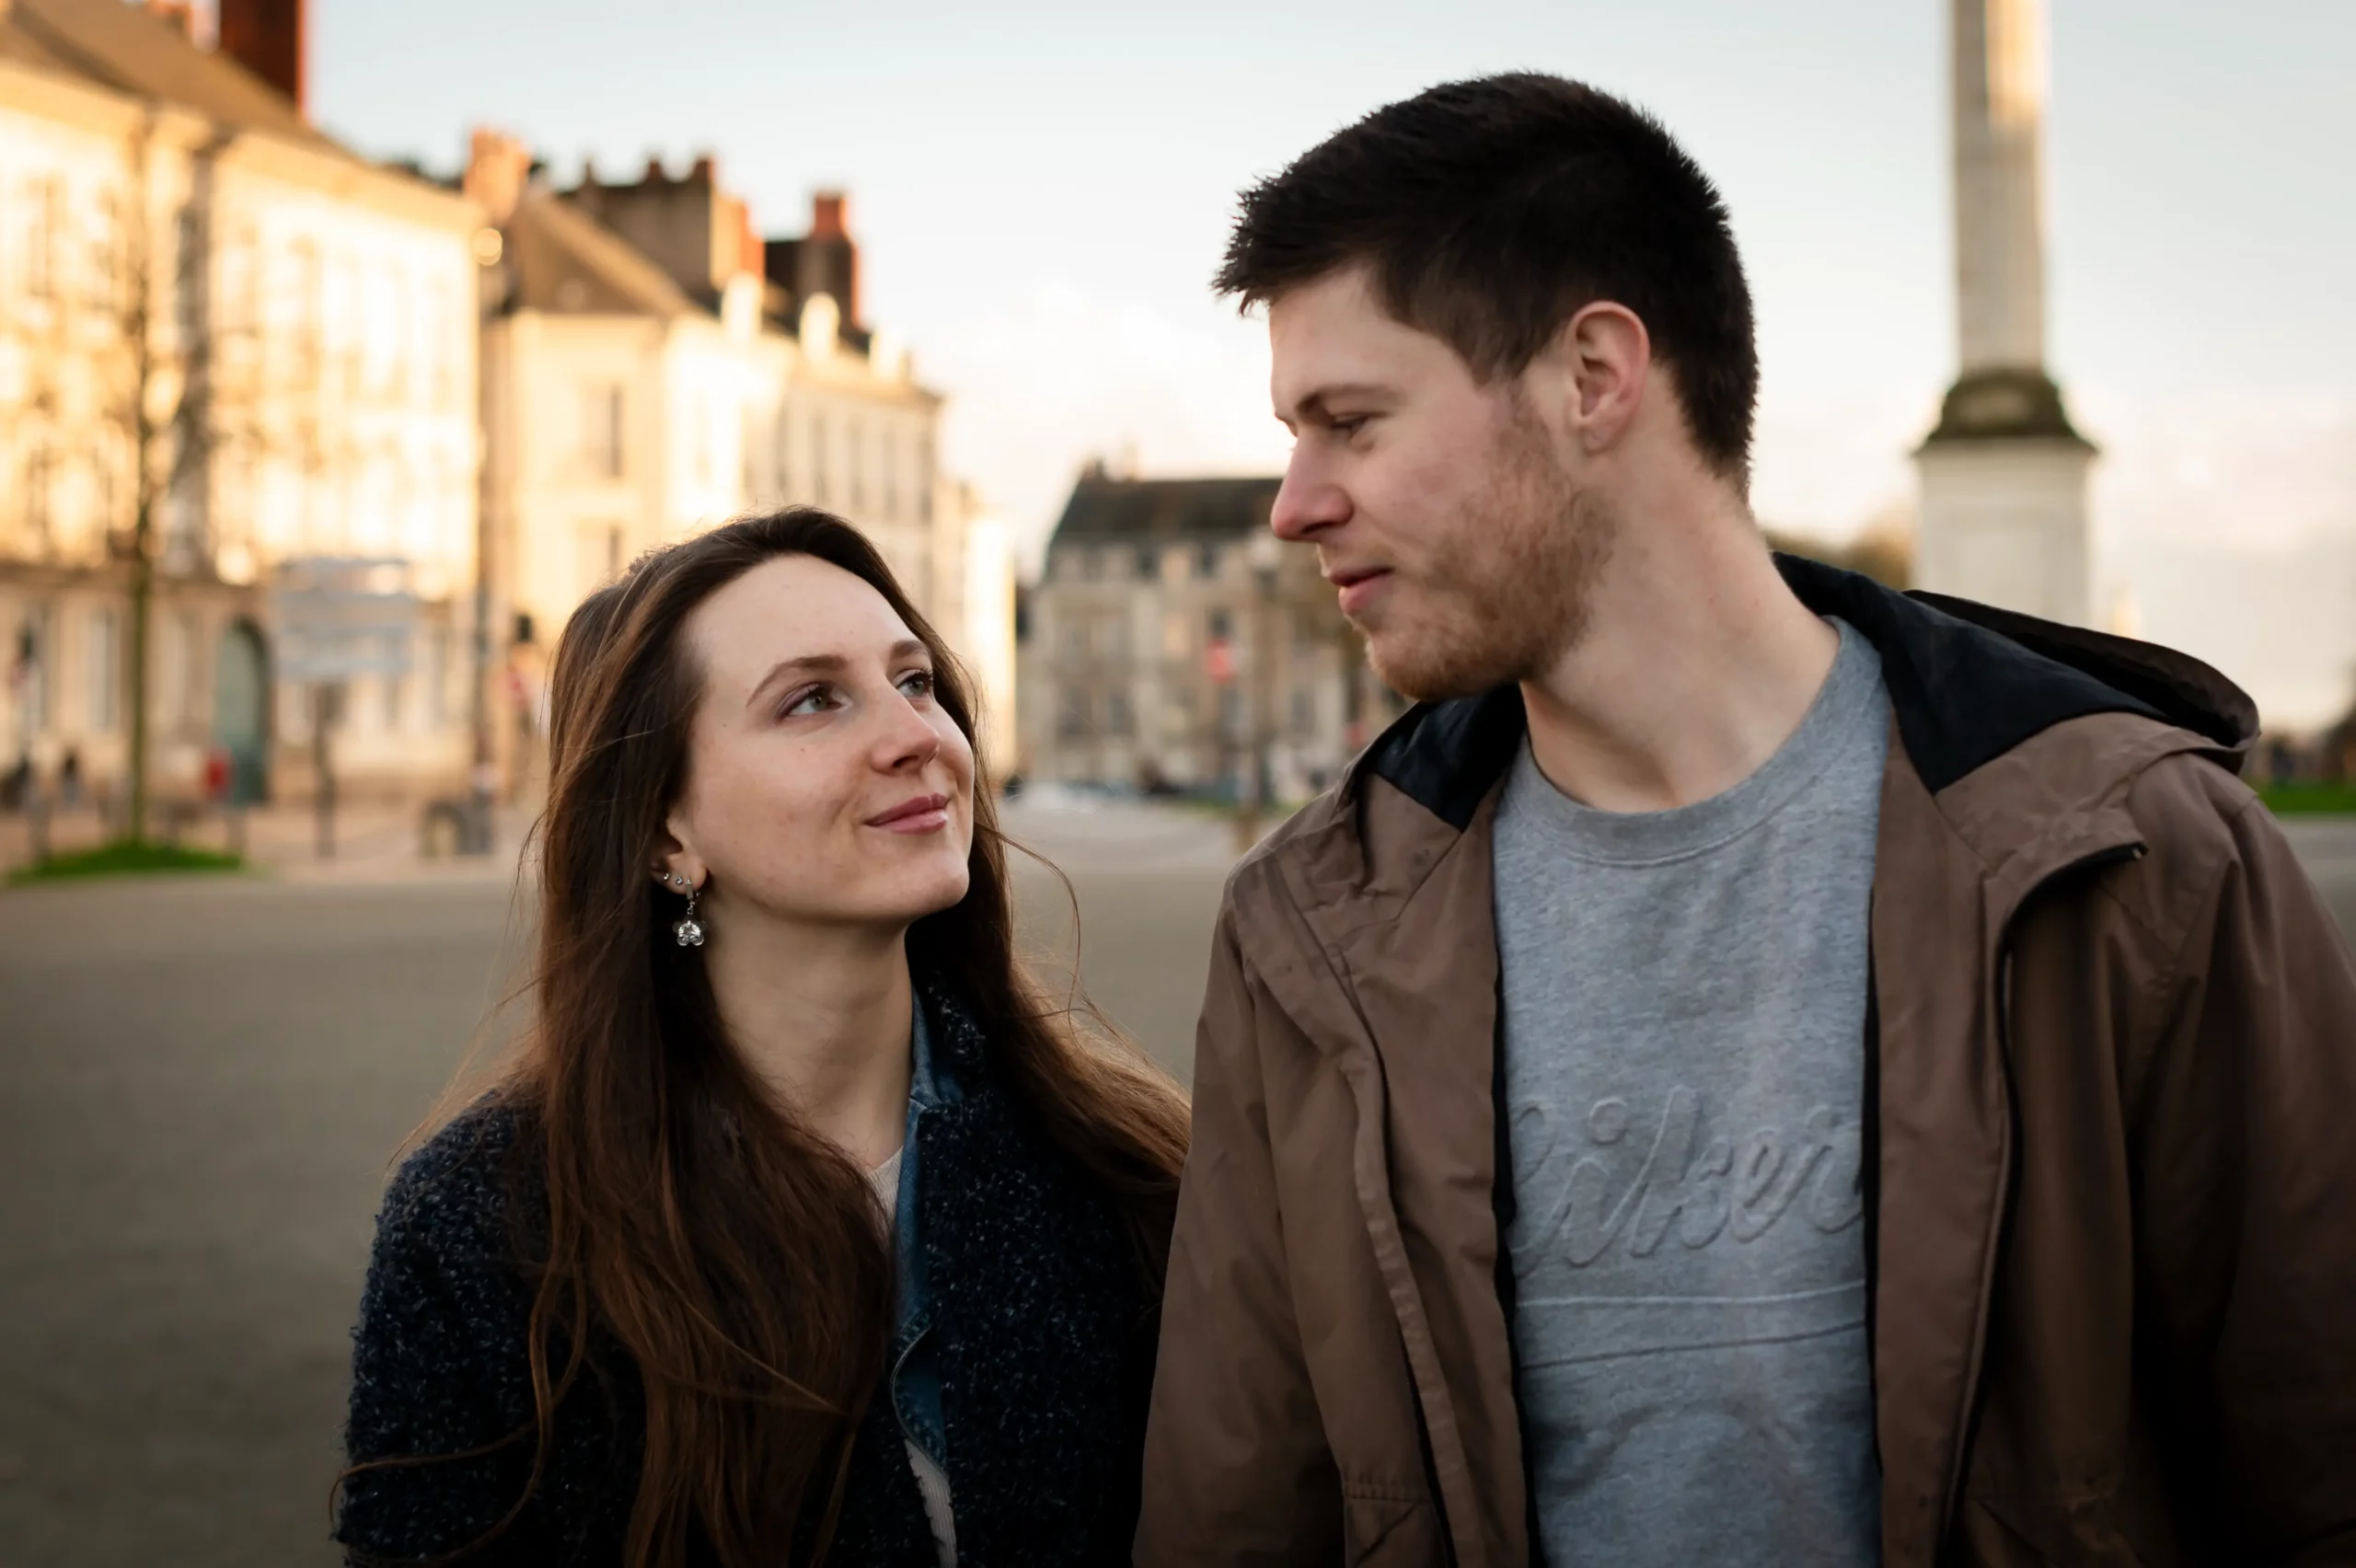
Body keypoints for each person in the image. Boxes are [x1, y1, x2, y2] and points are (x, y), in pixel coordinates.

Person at [1138, 74, 2356, 1568]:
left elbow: (2314, 1468)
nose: (1293, 502)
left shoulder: (2134, 860)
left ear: (1593, 373)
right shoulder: (1305, 933)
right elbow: (1238, 1502)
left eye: (1350, 421)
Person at [336, 509, 1187, 1567]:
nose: (916, 736)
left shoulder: (1131, 1175)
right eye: (814, 700)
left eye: (915, 681)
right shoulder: (485, 1232)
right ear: (662, 832)